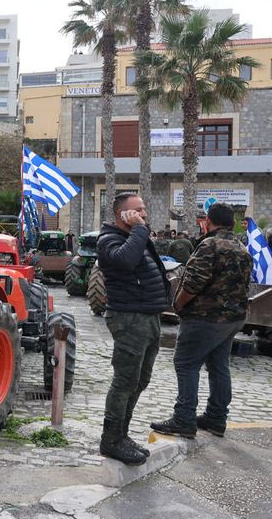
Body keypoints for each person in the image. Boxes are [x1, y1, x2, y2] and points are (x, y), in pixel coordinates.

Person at [151, 203, 253, 439]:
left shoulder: (209, 245)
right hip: (233, 318)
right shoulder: (242, 247)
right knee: (219, 366)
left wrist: (178, 304)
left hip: (205, 317)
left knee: (186, 363)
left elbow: (194, 282)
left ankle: (184, 418)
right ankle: (216, 418)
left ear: (208, 221)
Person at [97, 193, 170, 466]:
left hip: (148, 316)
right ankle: (111, 439)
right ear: (122, 216)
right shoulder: (109, 240)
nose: (144, 214)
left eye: (144, 209)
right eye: (137, 210)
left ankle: (122, 435)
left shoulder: (135, 237)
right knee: (125, 380)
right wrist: (139, 230)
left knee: (140, 380)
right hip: (129, 318)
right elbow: (125, 261)